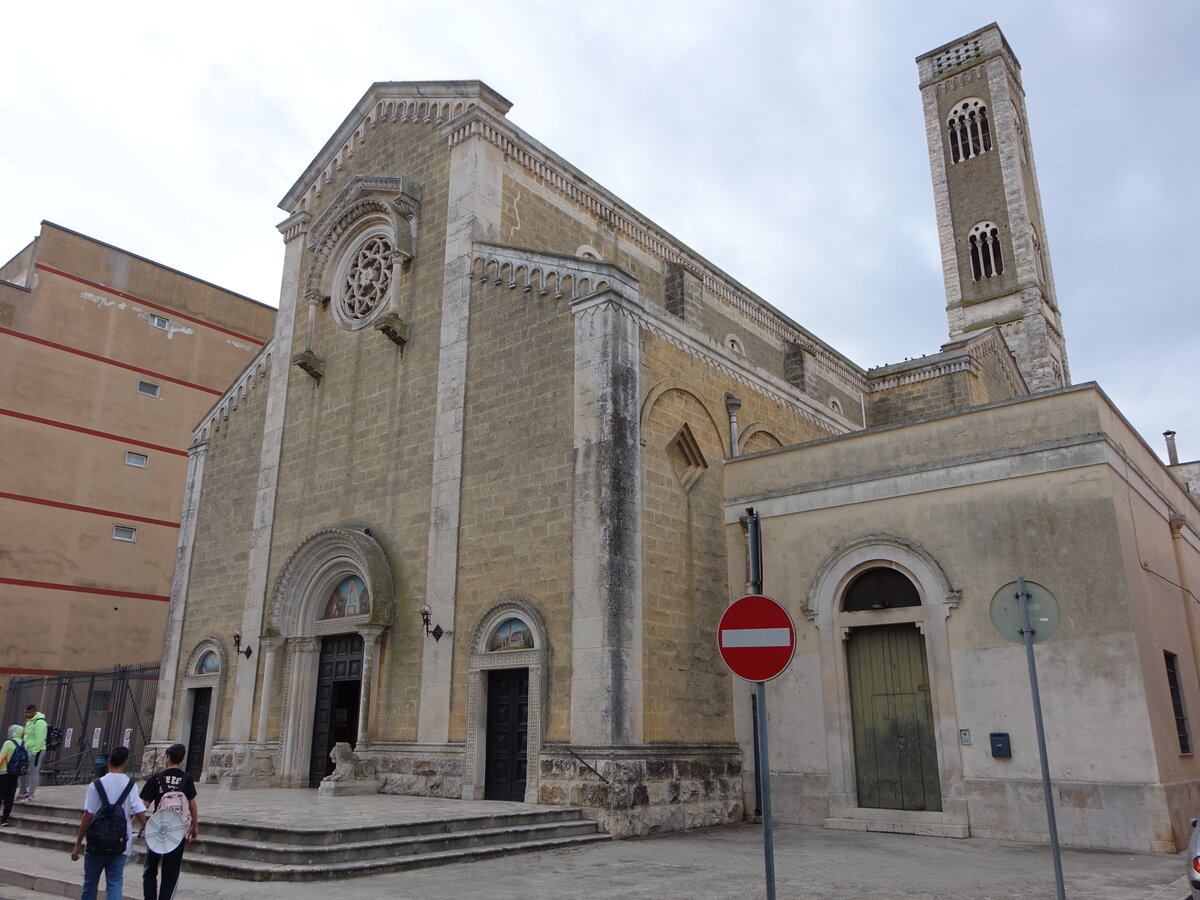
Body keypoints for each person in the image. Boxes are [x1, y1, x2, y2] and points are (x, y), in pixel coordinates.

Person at [70, 746, 147, 900]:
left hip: (96, 842)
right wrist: (146, 827)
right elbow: (139, 812)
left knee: (90, 883)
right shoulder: (131, 786)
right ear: (126, 762)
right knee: (115, 882)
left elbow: (88, 815)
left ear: (108, 762)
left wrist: (78, 843)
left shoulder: (96, 785)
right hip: (120, 843)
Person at [139, 743, 199, 900]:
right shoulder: (187, 779)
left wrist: (138, 823)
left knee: (150, 869)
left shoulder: (157, 778)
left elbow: (143, 805)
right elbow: (192, 806)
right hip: (177, 830)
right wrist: (195, 826)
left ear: (168, 757)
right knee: (171, 872)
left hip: (158, 829)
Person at [17, 703, 47, 802]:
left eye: (29, 712)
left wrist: (35, 751)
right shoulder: (29, 721)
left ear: (34, 711)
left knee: (33, 771)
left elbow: (40, 738)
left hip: (36, 750)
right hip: (26, 749)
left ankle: (30, 794)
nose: (26, 714)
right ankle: (22, 792)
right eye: (25, 712)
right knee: (22, 770)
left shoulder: (39, 722)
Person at [0, 724, 23, 826]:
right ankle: (5, 819)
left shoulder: (8, 743)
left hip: (4, 772)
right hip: (15, 773)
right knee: (10, 796)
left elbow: (2, 757)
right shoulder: (23, 743)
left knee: (1, 795)